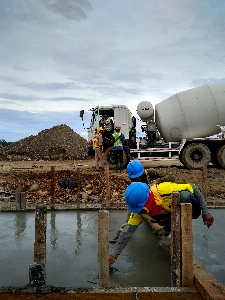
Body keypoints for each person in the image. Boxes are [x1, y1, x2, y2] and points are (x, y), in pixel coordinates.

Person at [109, 181, 214, 266]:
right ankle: (167, 230)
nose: (142, 211)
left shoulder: (164, 190)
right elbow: (127, 232)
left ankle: (171, 233)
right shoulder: (139, 212)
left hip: (192, 210)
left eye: (143, 208)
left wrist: (206, 212)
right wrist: (113, 255)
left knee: (184, 196)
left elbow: (193, 187)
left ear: (148, 199)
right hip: (169, 215)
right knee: (156, 218)